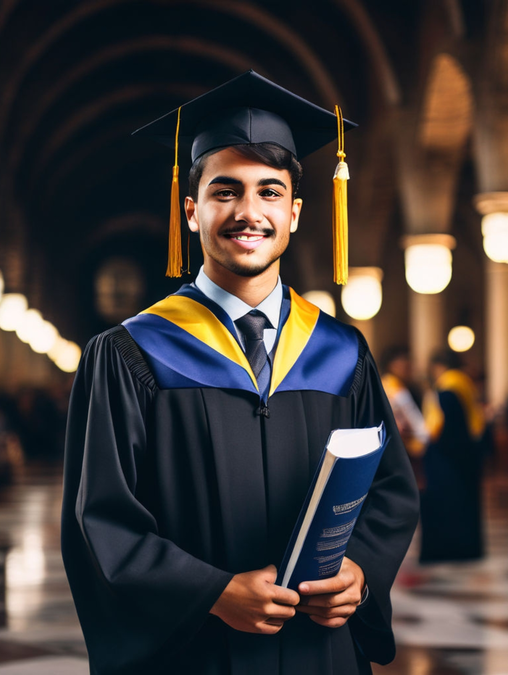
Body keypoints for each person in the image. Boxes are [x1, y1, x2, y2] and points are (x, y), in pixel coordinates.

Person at [61, 71, 419, 675]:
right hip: (195, 654)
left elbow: (389, 491)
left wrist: (358, 571)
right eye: (226, 192)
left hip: (317, 651)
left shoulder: (341, 353)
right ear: (192, 210)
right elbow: (100, 519)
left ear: (297, 212)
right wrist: (213, 594)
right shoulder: (130, 354)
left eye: (269, 192)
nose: (249, 212)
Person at [420, 349, 485, 563]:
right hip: (468, 453)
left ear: (438, 367)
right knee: (466, 504)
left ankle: (448, 550)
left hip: (447, 459)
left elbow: (436, 429)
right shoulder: (465, 383)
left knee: (447, 504)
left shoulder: (445, 389)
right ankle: (468, 549)